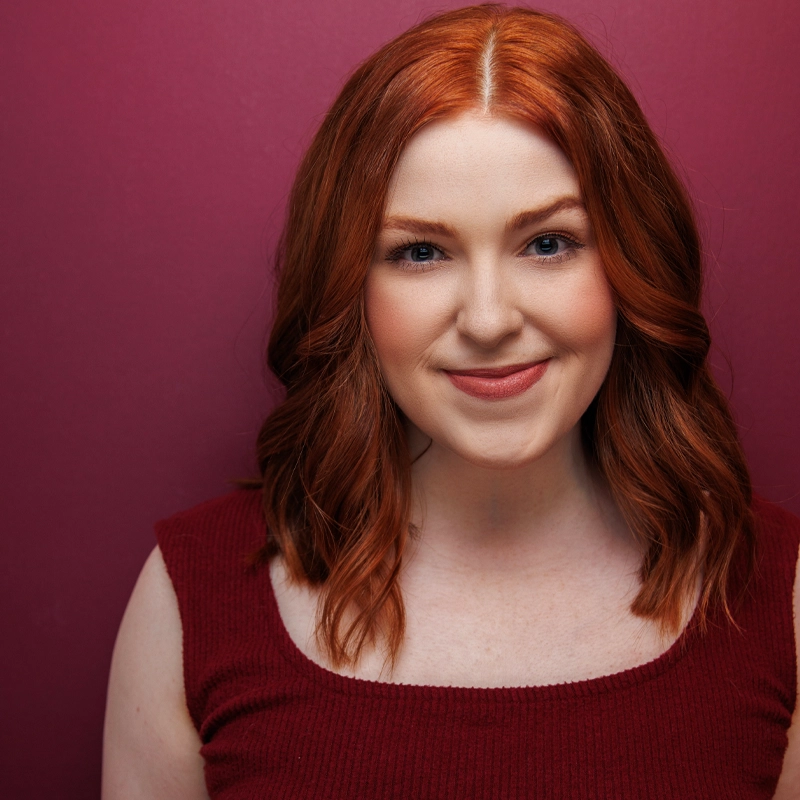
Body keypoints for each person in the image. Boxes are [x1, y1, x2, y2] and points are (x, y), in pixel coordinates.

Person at [101, 5, 800, 798]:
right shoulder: (190, 599)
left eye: (548, 243)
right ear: (349, 288)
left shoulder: (785, 598)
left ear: (631, 263)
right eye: (420, 252)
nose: (491, 320)